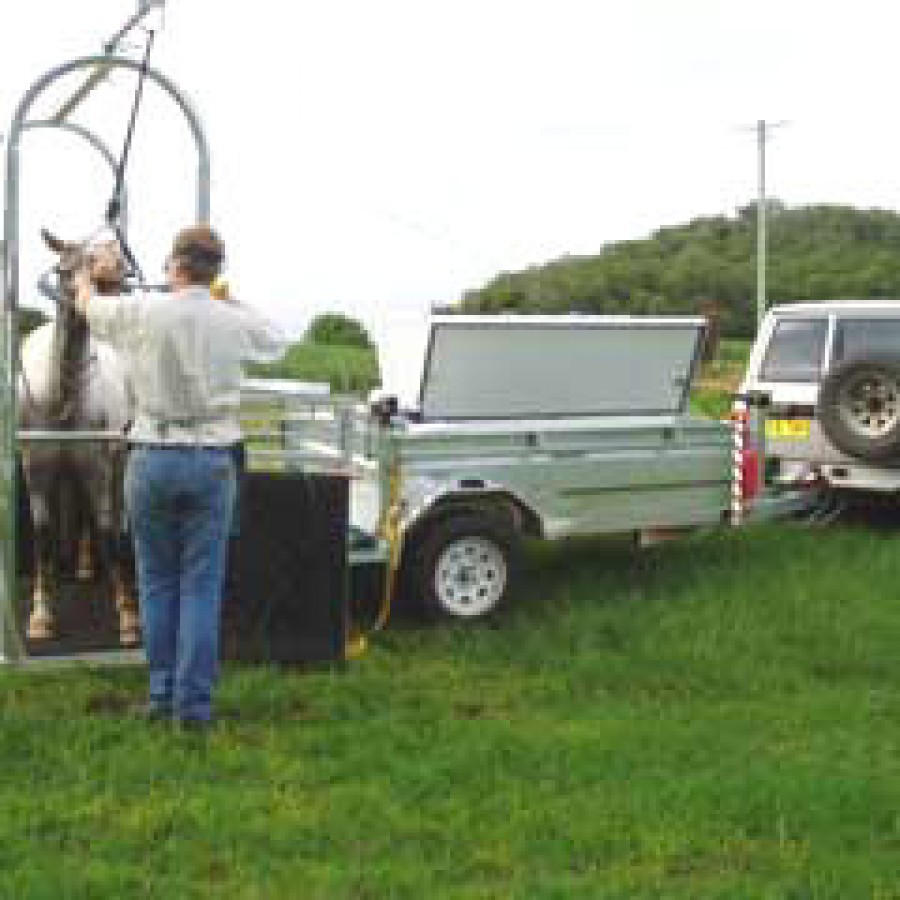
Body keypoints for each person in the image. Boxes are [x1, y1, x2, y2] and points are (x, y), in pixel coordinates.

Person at [75, 226, 285, 728]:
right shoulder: (232, 319)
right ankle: (193, 708)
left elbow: (88, 306)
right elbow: (276, 339)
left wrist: (87, 275)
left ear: (175, 264)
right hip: (212, 461)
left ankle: (162, 696)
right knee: (200, 587)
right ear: (216, 271)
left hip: (152, 458)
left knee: (157, 584)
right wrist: (228, 298)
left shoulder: (141, 312)